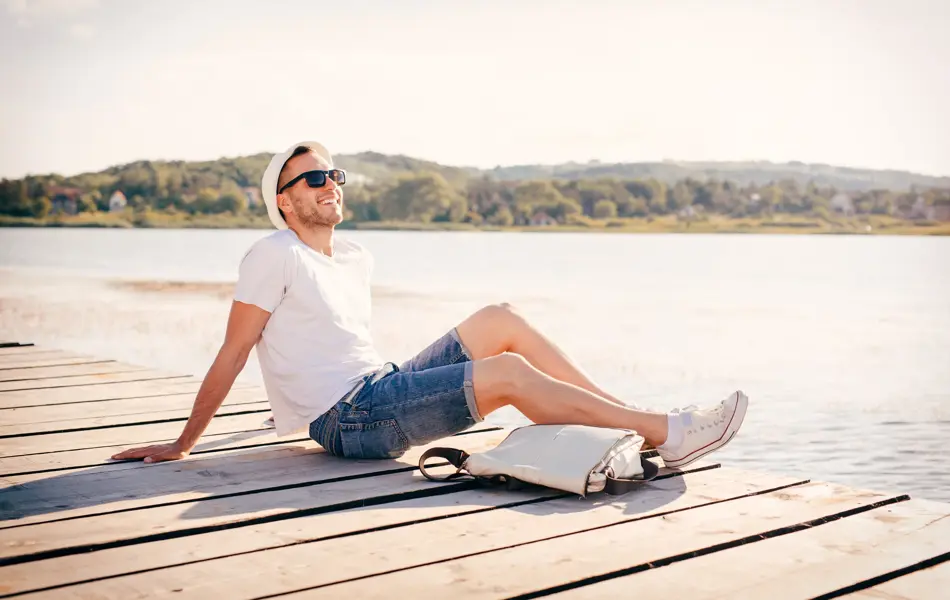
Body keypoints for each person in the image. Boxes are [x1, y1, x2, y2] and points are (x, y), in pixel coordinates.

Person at [112, 141, 749, 467]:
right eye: (311, 177)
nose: (328, 184)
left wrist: (281, 407)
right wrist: (183, 443)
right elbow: (234, 353)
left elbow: (319, 347)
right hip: (347, 422)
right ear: (283, 200)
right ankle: (662, 432)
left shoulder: (354, 257)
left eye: (334, 174)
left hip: (377, 387)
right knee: (507, 377)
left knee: (499, 318)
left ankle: (632, 417)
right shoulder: (273, 253)